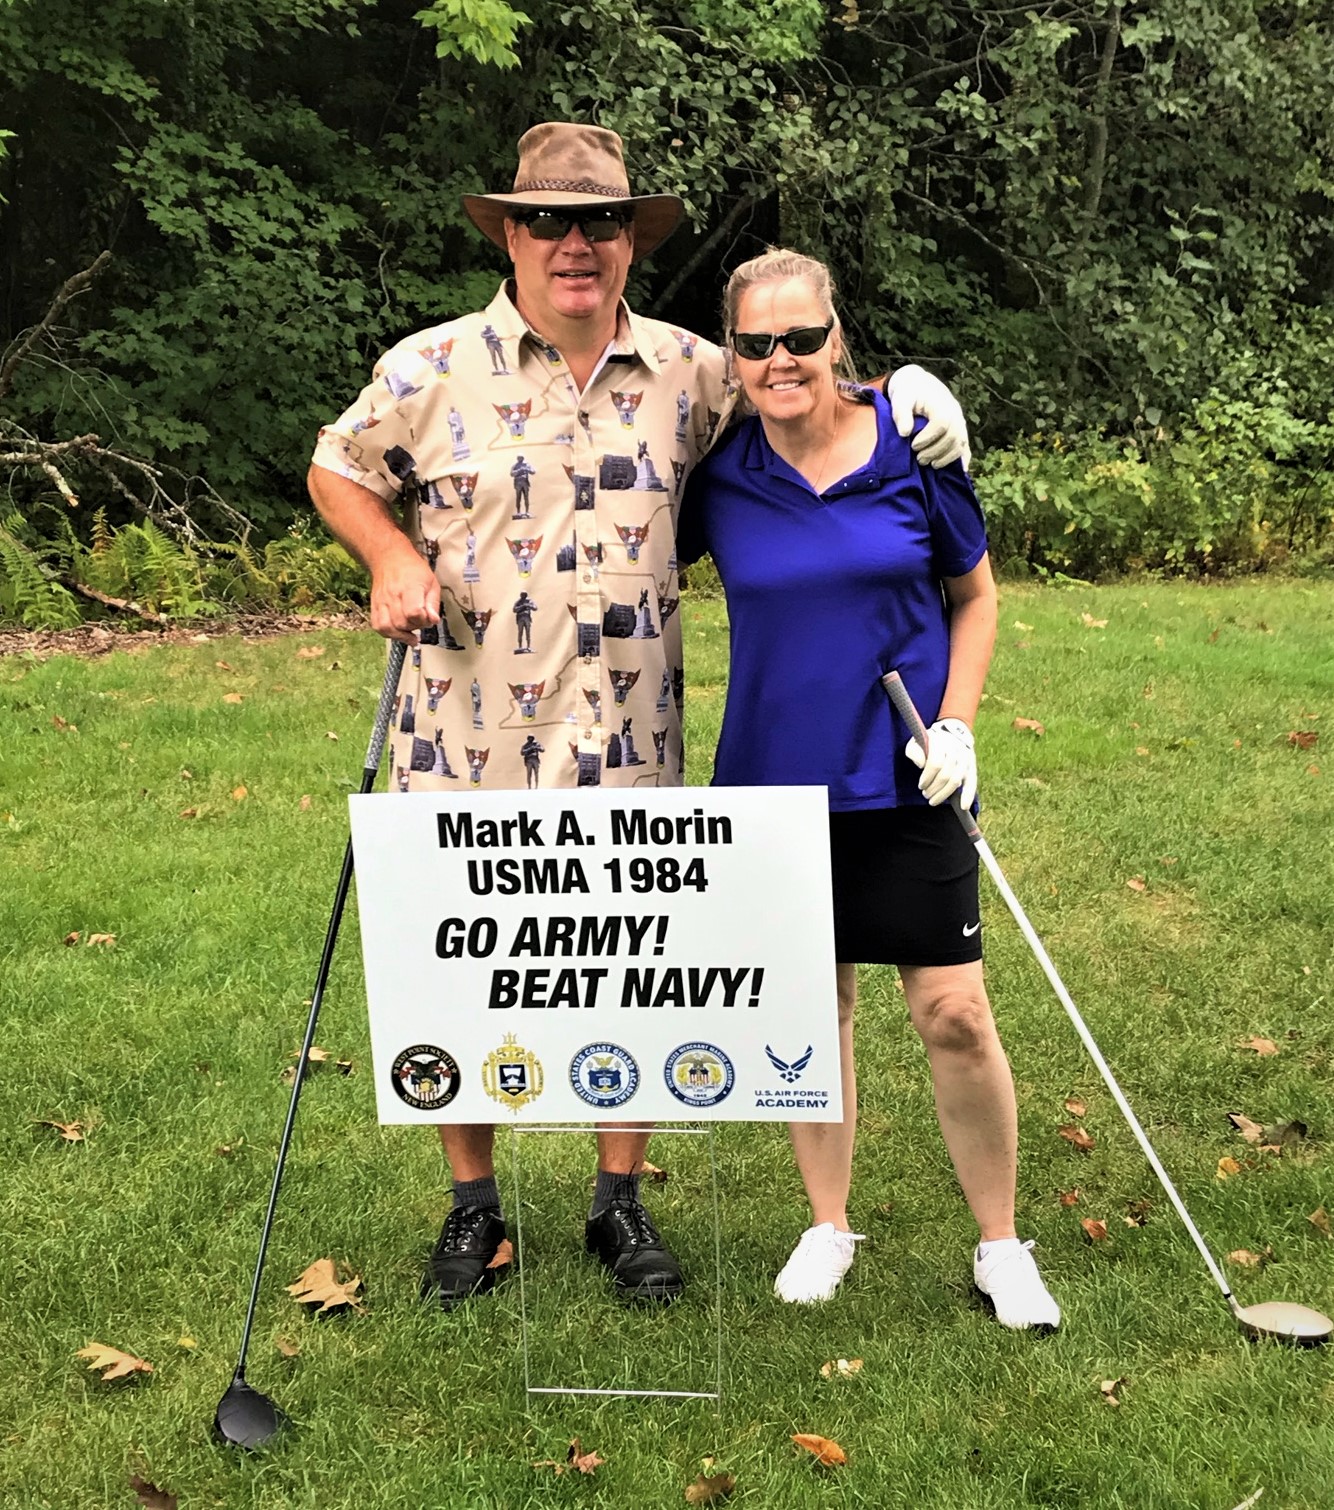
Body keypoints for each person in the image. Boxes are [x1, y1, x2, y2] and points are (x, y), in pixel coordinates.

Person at [307, 126, 971, 1314]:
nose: (574, 243)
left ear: (629, 240)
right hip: (461, 729)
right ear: (510, 234)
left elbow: (799, 386)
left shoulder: (692, 371)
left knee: (633, 970)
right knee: (462, 972)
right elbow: (337, 467)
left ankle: (617, 1198)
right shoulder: (427, 366)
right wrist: (390, 554)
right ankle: (474, 1205)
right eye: (547, 221)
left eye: (600, 222)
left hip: (625, 734)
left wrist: (907, 390)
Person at [677, 248, 1060, 1331]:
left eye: (802, 337)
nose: (781, 359)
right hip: (770, 786)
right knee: (814, 1013)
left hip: (906, 773)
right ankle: (828, 1222)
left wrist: (959, 724)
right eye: (757, 342)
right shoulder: (720, 478)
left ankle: (1000, 1243)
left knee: (954, 1012)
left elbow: (974, 597)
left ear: (835, 336)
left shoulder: (915, 443)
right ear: (733, 354)